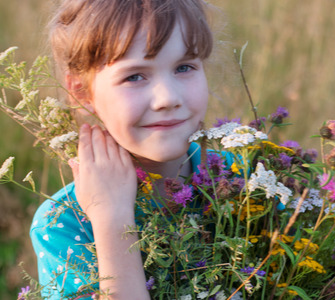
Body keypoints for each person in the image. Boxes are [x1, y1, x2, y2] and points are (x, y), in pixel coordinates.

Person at [30, 0, 216, 299]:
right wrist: (112, 219)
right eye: (134, 76)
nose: (167, 98)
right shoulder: (63, 222)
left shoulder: (243, 180)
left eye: (184, 67)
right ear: (81, 91)